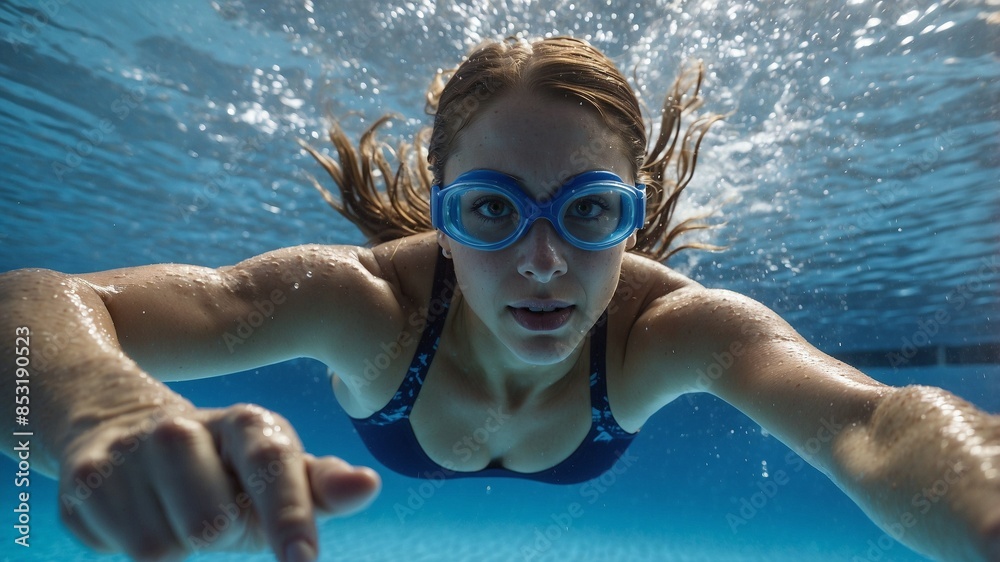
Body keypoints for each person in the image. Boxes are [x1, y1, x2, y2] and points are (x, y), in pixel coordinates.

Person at [1, 35, 998, 562]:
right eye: (490, 209)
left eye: (589, 209)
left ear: (632, 213)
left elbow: (874, 425)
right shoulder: (364, 306)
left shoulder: (668, 331)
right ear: (440, 213)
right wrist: (102, 409)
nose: (543, 261)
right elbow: (28, 302)